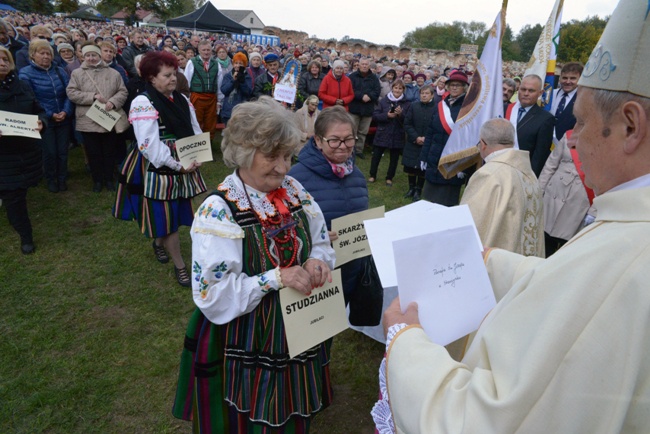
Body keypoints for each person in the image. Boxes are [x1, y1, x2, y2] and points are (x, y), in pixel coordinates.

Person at [376, 1, 650, 432]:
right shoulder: (628, 229)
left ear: (630, 127)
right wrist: (491, 260)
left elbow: (481, 421)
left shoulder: (624, 257)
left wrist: (404, 341)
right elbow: (568, 282)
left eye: (579, 123)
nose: (572, 140)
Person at [172, 96, 335, 432]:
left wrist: (318, 258)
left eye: (288, 156)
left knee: (292, 400)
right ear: (244, 153)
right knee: (246, 415)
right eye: (272, 156)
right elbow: (213, 295)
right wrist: (275, 278)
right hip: (245, 330)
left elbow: (320, 236)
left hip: (299, 320)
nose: (283, 167)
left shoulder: (293, 189)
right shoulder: (218, 211)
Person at [113, 51, 206, 287]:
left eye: (174, 73)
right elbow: (148, 145)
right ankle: (180, 266)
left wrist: (198, 155)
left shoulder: (182, 100)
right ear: (152, 78)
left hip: (184, 159)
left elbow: (194, 129)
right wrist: (177, 165)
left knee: (176, 210)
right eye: (167, 75)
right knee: (167, 216)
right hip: (159, 165)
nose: (173, 79)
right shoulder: (142, 102)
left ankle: (158, 242)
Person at [289, 105, 368, 303]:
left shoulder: (356, 176)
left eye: (349, 139)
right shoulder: (295, 179)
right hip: (314, 276)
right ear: (317, 140)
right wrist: (313, 236)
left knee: (336, 318)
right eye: (334, 140)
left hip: (350, 268)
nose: (343, 146)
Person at [460, 118, 544, 256]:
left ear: (483, 144)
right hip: (522, 264)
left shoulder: (489, 174)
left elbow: (470, 221)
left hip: (496, 266)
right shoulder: (529, 174)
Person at [0, 46, 45, 254]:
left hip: (25, 151)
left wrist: (41, 122)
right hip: (4, 155)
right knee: (13, 196)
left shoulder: (23, 85)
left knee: (19, 193)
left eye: (4, 58)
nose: (1, 62)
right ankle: (25, 234)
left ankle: (25, 232)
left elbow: (38, 110)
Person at [66, 43, 129, 192]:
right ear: (83, 56)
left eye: (94, 55)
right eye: (87, 55)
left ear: (99, 56)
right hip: (88, 119)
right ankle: (97, 180)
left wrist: (113, 102)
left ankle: (108, 179)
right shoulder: (77, 73)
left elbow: (122, 91)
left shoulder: (113, 73)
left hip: (107, 117)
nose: (91, 58)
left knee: (108, 151)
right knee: (93, 152)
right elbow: (71, 92)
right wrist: (92, 97)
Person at [18, 39, 72, 193]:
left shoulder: (59, 71)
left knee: (62, 151)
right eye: (42, 53)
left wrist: (66, 111)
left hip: (63, 116)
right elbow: (32, 98)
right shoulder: (26, 73)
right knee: (49, 152)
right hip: (44, 120)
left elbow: (69, 93)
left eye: (48, 53)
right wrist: (50, 114)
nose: (46, 57)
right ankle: (51, 179)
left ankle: (62, 178)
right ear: (33, 55)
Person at [538, 130, 595, 256]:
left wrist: (593, 211)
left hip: (580, 198)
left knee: (566, 248)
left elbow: (606, 179)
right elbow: (551, 164)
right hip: (554, 192)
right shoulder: (570, 134)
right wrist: (539, 190)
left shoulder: (607, 141)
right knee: (543, 242)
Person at [419, 70, 469, 206]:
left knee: (445, 204)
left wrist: (462, 165)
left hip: (452, 162)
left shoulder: (468, 108)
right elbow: (430, 132)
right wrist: (424, 156)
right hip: (434, 158)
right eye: (451, 84)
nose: (453, 87)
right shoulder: (441, 105)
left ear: (464, 88)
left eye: (458, 85)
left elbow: (468, 139)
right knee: (429, 203)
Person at [505, 74, 555, 177]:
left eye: (531, 91)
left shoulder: (545, 119)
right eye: (523, 89)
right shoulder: (505, 108)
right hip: (499, 167)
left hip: (521, 173)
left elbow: (539, 155)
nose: (526, 93)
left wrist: (529, 179)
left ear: (540, 93)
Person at [369, 80, 410, 186]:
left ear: (403, 90)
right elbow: (375, 116)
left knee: (394, 158)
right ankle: (372, 175)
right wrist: (387, 116)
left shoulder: (407, 103)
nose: (397, 90)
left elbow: (408, 120)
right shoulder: (384, 101)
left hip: (397, 133)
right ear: (392, 88)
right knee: (376, 156)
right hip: (383, 132)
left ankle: (389, 177)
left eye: (400, 88)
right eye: (396, 88)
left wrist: (401, 115)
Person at [403, 84, 436, 201]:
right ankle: (411, 188)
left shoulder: (437, 108)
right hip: (413, 141)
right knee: (411, 166)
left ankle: (418, 189)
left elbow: (436, 126)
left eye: (427, 93)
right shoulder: (413, 106)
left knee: (422, 167)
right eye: (422, 93)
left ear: (432, 95)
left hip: (428, 143)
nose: (424, 95)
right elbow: (407, 123)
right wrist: (416, 137)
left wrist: (426, 138)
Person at [183, 39, 219, 140]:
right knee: (196, 121)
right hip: (197, 96)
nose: (206, 52)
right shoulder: (192, 62)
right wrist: (188, 99)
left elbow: (219, 82)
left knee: (210, 122)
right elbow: (187, 81)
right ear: (199, 51)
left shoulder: (216, 64)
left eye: (208, 50)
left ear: (211, 51)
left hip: (211, 97)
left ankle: (208, 145)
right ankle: (197, 145)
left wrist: (219, 100)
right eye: (204, 50)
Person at [348, 57, 381, 158]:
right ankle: (350, 149)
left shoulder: (374, 78)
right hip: (354, 108)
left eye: (366, 64)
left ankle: (359, 150)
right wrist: (361, 96)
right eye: (362, 64)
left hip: (367, 109)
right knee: (351, 131)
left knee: (363, 132)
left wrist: (369, 96)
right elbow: (350, 90)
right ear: (359, 65)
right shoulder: (352, 76)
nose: (364, 66)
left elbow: (377, 91)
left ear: (369, 65)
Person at [551, 62, 583, 141]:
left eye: (573, 78)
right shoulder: (550, 95)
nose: (568, 82)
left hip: (567, 146)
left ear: (580, 79)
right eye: (565, 78)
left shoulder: (583, 100)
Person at [220, 51, 252, 126]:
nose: (237, 65)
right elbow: (224, 90)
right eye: (236, 63)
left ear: (244, 65)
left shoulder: (247, 76)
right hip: (229, 108)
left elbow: (248, 92)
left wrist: (242, 81)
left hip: (241, 108)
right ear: (233, 64)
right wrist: (233, 80)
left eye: (240, 63)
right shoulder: (228, 76)